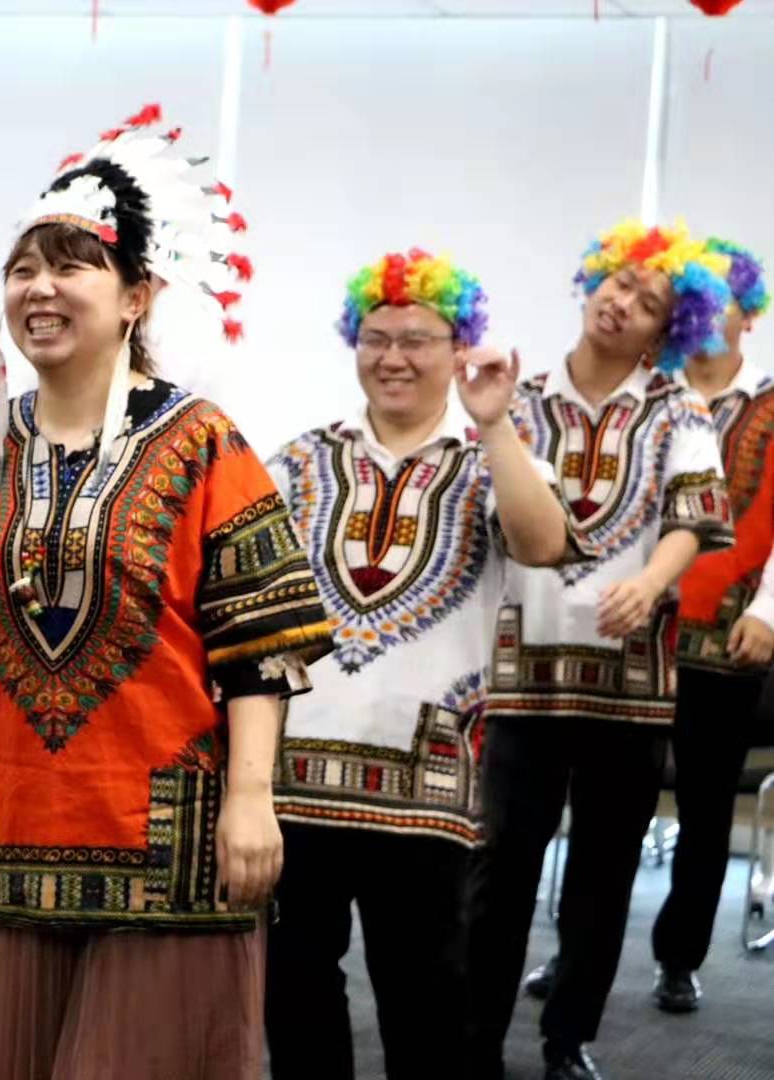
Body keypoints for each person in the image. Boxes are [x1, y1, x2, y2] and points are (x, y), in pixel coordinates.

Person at [0, 106, 335, 1080]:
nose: (40, 287)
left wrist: (253, 799)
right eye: (23, 268)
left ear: (136, 299)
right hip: (15, 847)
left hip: (166, 850)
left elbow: (261, 647)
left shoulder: (205, 444)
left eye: (72, 264)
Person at [264, 249, 584, 1080]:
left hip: (425, 785)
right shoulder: (299, 462)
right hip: (292, 775)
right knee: (292, 986)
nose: (394, 356)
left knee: (425, 997)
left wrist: (495, 421)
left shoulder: (495, 460)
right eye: (376, 337)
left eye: (418, 338)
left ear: (458, 347)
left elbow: (543, 542)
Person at [465, 220, 735, 1080]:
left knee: (604, 874)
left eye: (647, 300)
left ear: (670, 328)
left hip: (628, 681)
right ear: (589, 285)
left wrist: (652, 585)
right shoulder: (522, 401)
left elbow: (695, 516)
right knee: (500, 867)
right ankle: (472, 1040)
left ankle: (565, 1038)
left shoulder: (675, 409)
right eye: (615, 284)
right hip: (525, 669)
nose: (622, 302)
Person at [652, 237, 772, 1013]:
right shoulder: (647, 400)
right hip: (634, 638)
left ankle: (679, 956)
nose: (706, 315)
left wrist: (768, 613)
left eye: (721, 299)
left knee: (702, 809)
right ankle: (574, 959)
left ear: (746, 312)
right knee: (606, 804)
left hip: (730, 638)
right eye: (692, 299)